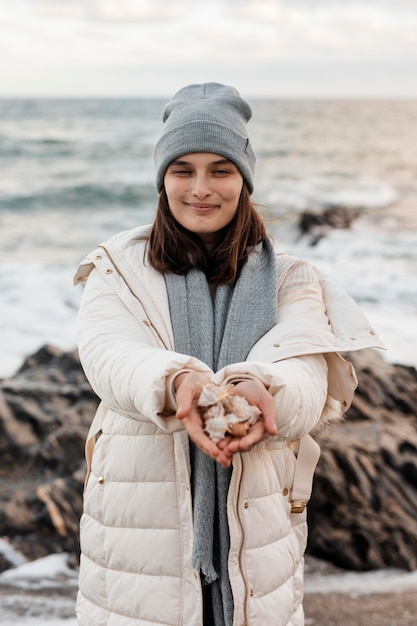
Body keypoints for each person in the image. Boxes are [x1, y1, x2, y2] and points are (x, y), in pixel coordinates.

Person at [74, 83, 384, 626]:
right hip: (136, 549)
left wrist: (262, 391)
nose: (200, 188)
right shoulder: (117, 268)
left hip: (256, 546)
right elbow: (109, 354)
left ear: (244, 177)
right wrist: (178, 386)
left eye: (220, 169)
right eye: (182, 169)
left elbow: (306, 373)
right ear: (162, 178)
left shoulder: (290, 279)